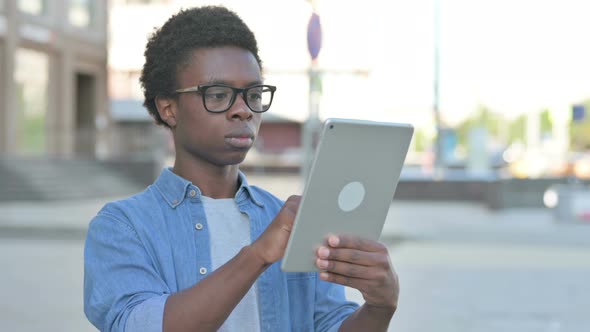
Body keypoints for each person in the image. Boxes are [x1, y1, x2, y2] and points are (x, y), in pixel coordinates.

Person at [84, 6, 399, 332]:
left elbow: (332, 325)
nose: (243, 110)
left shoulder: (293, 224)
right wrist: (257, 256)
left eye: (253, 94)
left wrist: (379, 308)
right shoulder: (123, 227)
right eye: (218, 95)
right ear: (169, 109)